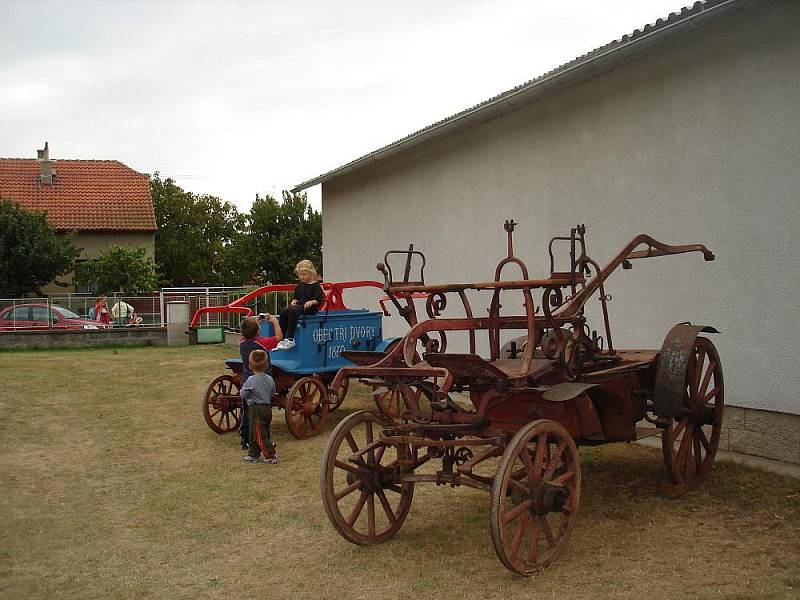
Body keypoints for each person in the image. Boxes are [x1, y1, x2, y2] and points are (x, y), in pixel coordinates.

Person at [238, 314, 283, 450]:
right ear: (258, 331)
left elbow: (249, 333)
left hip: (248, 380)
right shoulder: (262, 343)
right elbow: (279, 337)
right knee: (263, 416)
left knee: (247, 411)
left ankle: (245, 438)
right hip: (263, 382)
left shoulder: (241, 342)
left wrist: (255, 322)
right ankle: (264, 441)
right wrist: (275, 322)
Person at [275, 259, 325, 350]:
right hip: (300, 306)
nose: (301, 277)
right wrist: (294, 301)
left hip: (310, 308)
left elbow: (318, 299)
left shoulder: (316, 286)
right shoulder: (300, 286)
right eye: (300, 275)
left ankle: (290, 339)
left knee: (292, 312)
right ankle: (281, 337)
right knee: (284, 312)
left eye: (304, 274)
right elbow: (296, 298)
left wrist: (311, 302)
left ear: (311, 273)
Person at [240, 350, 278, 464]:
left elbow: (244, 394)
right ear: (267, 365)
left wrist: (242, 390)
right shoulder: (270, 379)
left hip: (256, 409)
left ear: (250, 366)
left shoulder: (251, 380)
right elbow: (273, 392)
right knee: (258, 432)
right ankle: (253, 454)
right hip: (267, 408)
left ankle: (270, 455)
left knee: (259, 435)